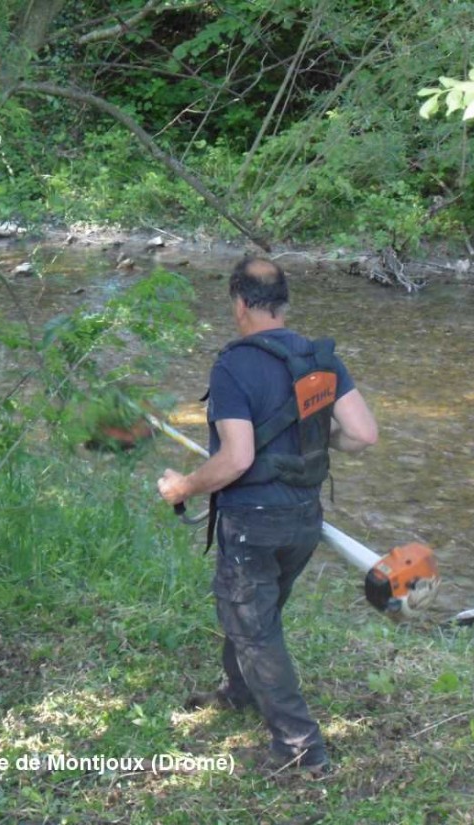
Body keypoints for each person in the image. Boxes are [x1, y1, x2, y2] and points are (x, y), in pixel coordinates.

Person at [157, 257, 378, 777]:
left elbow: (236, 459)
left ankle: (301, 747)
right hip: (303, 516)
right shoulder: (319, 357)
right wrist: (323, 438)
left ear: (238, 302)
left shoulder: (233, 365)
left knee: (255, 627)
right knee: (255, 613)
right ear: (283, 302)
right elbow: (363, 435)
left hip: (252, 522)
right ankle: (238, 692)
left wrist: (182, 486)